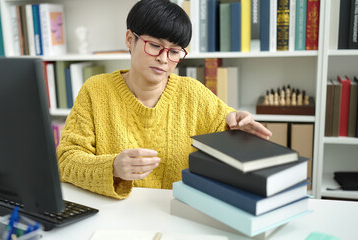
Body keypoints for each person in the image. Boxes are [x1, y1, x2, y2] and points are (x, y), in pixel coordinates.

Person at [57, 0, 272, 199]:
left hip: (179, 213)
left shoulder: (194, 94)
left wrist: (239, 132)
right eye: (154, 45)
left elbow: (228, 140)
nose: (163, 58)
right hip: (114, 215)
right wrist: (112, 167)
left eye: (175, 51)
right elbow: (65, 161)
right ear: (130, 39)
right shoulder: (96, 91)